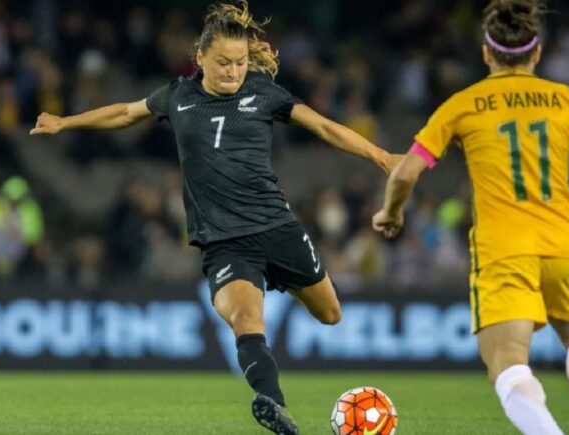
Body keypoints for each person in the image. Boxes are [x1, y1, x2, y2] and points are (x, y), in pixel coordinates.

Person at [30, 2, 399, 434]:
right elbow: (125, 113)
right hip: (225, 242)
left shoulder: (264, 94)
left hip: (277, 227)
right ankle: (273, 404)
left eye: (241, 62)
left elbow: (323, 127)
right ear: (200, 58)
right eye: (223, 62)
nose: (233, 71)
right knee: (246, 319)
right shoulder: (178, 96)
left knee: (331, 314)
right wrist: (66, 122)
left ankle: (276, 297)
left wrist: (379, 154)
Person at [372, 1, 569, 434]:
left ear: (486, 52)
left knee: (507, 365)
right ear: (536, 54)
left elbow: (406, 171)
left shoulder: (463, 105)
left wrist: (390, 212)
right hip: (564, 245)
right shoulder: (565, 99)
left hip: (503, 250)